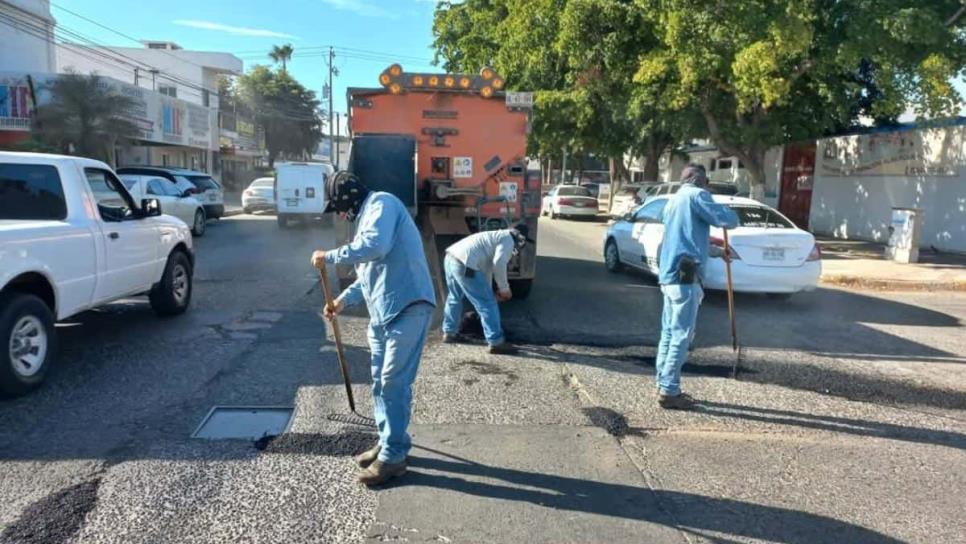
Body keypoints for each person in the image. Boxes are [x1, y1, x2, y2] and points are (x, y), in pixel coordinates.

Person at [310, 172, 435, 485]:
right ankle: (389, 441)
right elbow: (367, 277)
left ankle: (394, 457)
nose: (339, 214)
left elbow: (375, 247)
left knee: (393, 382)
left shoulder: (382, 203)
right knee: (380, 384)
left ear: (348, 198)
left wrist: (330, 256)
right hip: (382, 316)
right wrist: (339, 301)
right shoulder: (365, 218)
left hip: (408, 307)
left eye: (338, 207)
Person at [655, 164, 738, 410]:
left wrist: (716, 251)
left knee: (669, 333)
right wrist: (725, 208)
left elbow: (687, 238)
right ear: (702, 180)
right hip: (685, 276)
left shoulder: (673, 201)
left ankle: (663, 382)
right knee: (681, 334)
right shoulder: (698, 196)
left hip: (670, 274)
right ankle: (670, 391)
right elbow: (728, 220)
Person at [441, 226, 530, 354]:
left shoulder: (492, 238)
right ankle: (496, 342)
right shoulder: (508, 239)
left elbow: (486, 272)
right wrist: (504, 289)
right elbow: (499, 263)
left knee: (454, 297)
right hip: (465, 264)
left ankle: (449, 333)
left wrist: (491, 293)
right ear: (519, 238)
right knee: (487, 304)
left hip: (450, 258)